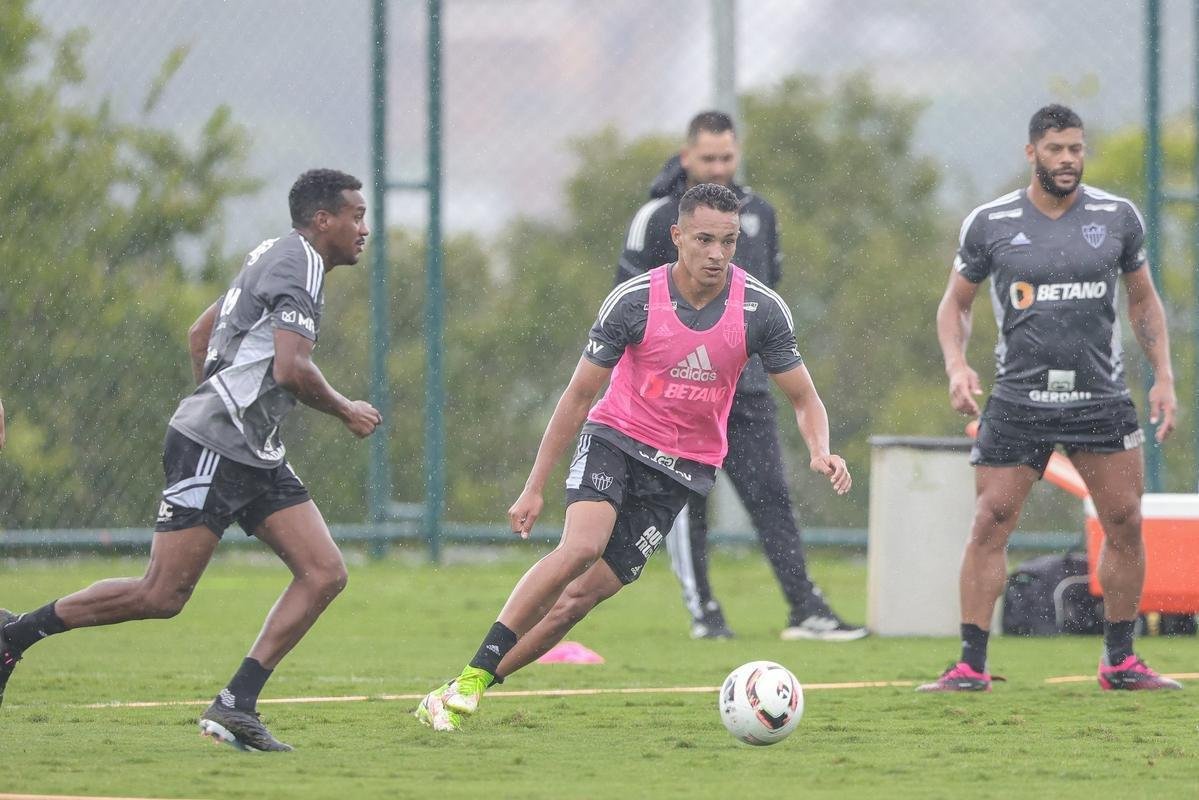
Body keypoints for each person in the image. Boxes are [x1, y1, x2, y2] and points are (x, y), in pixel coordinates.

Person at [416, 183, 852, 732]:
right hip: (617, 439)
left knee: (578, 601)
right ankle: (471, 678)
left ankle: (465, 687)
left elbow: (804, 397)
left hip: (683, 470)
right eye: (704, 240)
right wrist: (533, 486)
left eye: (728, 241)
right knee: (581, 548)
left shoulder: (761, 309)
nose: (717, 254)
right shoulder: (635, 300)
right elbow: (579, 396)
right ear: (677, 236)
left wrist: (820, 450)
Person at [0, 169, 384, 747]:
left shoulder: (274, 254)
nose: (364, 229)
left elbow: (200, 333)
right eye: (356, 216)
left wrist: (221, 399)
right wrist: (345, 409)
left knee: (324, 572)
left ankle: (236, 704)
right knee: (161, 595)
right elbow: (291, 369)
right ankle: (15, 637)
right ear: (322, 219)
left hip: (252, 450)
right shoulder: (299, 260)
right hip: (216, 446)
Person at [924, 104, 1180, 692]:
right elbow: (955, 304)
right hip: (1018, 400)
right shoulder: (990, 222)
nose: (1068, 160)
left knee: (1125, 521)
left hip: (1100, 397)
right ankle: (970, 665)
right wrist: (957, 366)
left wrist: (1163, 376)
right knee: (990, 522)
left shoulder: (1118, 217)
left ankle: (1120, 661)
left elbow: (1143, 300)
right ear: (1031, 153)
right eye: (1056, 149)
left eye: (1075, 149)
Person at [617, 110, 864, 641]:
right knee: (685, 505)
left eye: (726, 157)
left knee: (771, 497)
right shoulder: (656, 218)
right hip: (675, 397)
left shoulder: (760, 214)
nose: (718, 167)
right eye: (708, 158)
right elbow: (628, 302)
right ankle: (704, 613)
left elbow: (766, 296)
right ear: (687, 156)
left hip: (745, 390)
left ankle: (806, 609)